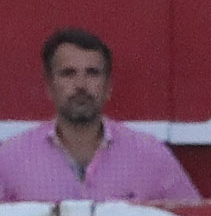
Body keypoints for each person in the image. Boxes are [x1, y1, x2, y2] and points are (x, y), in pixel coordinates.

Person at [0, 28, 200, 203]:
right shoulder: (10, 159)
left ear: (108, 86)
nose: (81, 85)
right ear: (49, 85)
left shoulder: (150, 155)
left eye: (93, 73)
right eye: (68, 73)